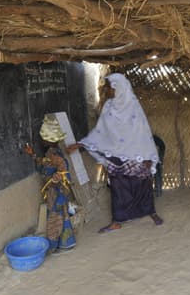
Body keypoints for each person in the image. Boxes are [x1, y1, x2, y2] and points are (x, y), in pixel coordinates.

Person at [66, 74, 163, 233]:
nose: (107, 90)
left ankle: (151, 212)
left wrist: (147, 157)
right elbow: (101, 131)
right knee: (118, 189)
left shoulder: (133, 105)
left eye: (110, 87)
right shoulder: (109, 107)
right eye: (108, 86)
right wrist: (81, 144)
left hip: (136, 153)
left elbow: (143, 131)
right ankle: (117, 220)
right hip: (116, 154)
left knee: (143, 186)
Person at [25, 145, 77, 252]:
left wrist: (55, 179)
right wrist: (32, 154)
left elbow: (64, 175)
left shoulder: (60, 160)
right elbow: (42, 164)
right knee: (61, 217)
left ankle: (57, 245)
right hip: (52, 194)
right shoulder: (49, 158)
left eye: (52, 155)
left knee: (56, 218)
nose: (50, 156)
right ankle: (66, 243)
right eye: (49, 154)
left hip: (58, 195)